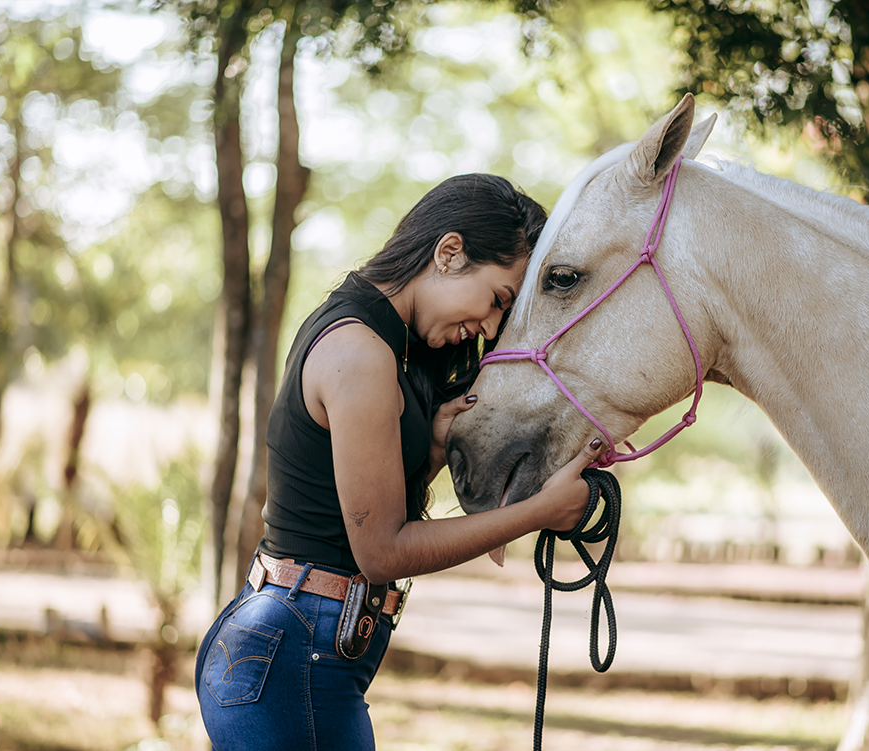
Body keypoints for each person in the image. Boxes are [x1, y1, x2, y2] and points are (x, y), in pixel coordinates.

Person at [194, 173, 605, 751]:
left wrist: (433, 452)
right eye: (497, 301)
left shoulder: (386, 343)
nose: (489, 328)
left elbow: (349, 510)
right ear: (449, 252)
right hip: (296, 656)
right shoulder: (359, 352)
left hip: (302, 647)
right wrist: (541, 511)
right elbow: (381, 550)